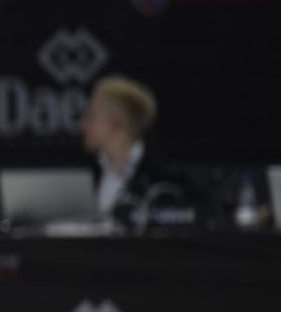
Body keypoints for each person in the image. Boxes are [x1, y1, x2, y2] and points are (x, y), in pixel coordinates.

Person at [80, 74, 201, 227]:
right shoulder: (87, 174)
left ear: (115, 123)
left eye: (91, 116)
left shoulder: (166, 181)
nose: (84, 124)